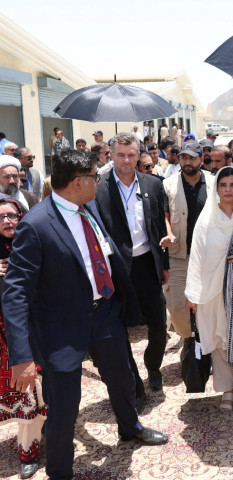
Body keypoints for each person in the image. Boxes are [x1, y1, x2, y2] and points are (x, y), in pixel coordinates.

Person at [3, 149, 167, 480]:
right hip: (60, 329)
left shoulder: (87, 208)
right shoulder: (36, 225)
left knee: (122, 380)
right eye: (95, 176)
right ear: (79, 182)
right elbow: (16, 293)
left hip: (104, 313)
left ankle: (129, 426)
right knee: (64, 408)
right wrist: (22, 357)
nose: (99, 181)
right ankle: (60, 471)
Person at [94, 133, 170, 413]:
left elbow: (159, 228)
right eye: (120, 154)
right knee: (119, 331)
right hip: (115, 271)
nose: (126, 160)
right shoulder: (98, 188)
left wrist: (164, 265)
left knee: (160, 327)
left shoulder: (152, 183)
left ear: (139, 155)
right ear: (110, 156)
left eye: (132, 154)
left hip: (147, 265)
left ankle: (153, 366)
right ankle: (135, 386)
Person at [185, 166, 233, 411]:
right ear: (216, 188)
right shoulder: (206, 217)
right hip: (210, 290)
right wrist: (192, 294)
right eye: (223, 185)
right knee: (218, 338)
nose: (228, 190)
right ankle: (226, 388)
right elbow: (196, 257)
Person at [0, 199, 47, 479]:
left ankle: (45, 433)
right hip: (7, 339)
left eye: (12, 215)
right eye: (1, 217)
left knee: (44, 388)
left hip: (41, 329)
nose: (7, 221)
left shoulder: (35, 244)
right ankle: (27, 450)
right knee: (24, 391)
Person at [161, 141, 214, 341]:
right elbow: (164, 216)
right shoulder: (168, 184)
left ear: (201, 159)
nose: (187, 161)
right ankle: (188, 339)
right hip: (179, 255)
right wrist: (169, 233)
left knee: (207, 303)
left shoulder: (213, 182)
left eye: (192, 157)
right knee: (176, 306)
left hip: (207, 255)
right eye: (184, 157)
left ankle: (204, 342)